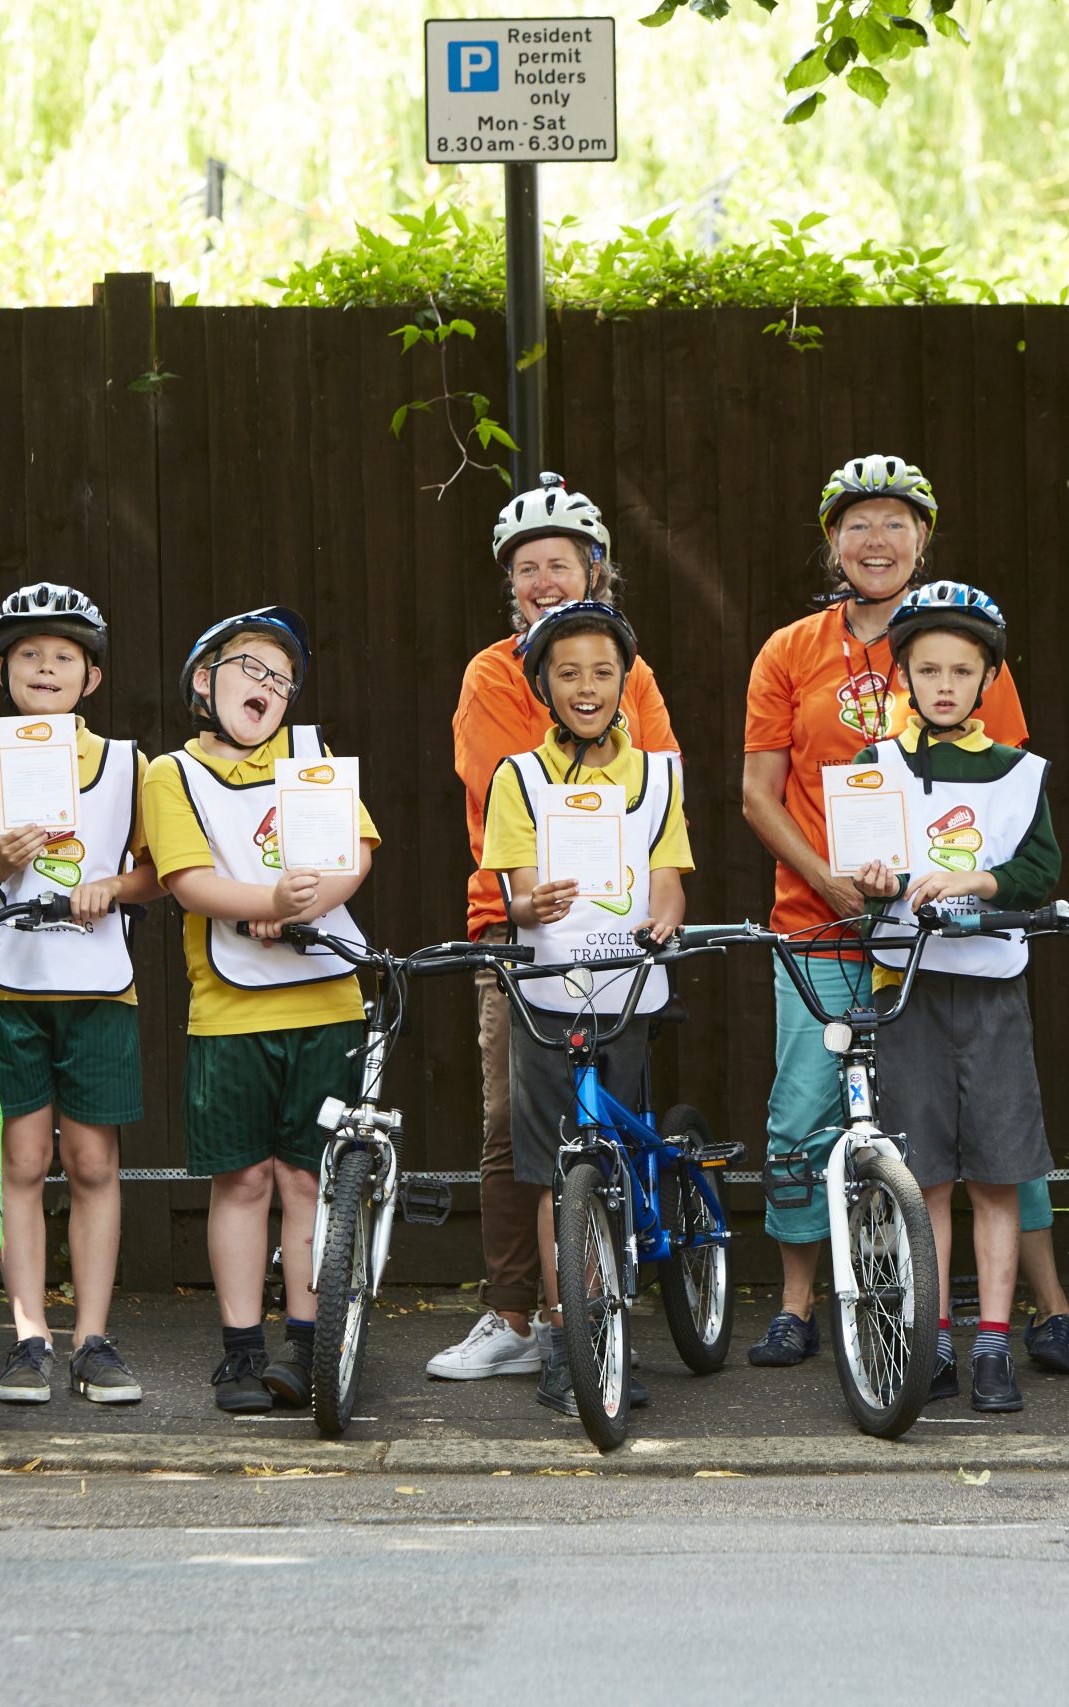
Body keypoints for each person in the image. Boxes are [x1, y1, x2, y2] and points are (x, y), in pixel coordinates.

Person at [739, 456, 1069, 1373]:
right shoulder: (789, 650)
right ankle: (800, 1303)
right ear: (832, 541)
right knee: (805, 1112)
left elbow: (1003, 802)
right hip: (819, 919)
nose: (876, 541)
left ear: (923, 539)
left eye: (895, 523)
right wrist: (830, 875)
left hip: (949, 935)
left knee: (993, 1121)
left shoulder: (965, 640)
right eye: (857, 524)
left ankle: (1044, 1304)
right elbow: (759, 794)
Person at [429, 473, 679, 1384]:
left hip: (619, 925)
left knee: (607, 1116)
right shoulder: (494, 673)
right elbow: (514, 792)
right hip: (518, 924)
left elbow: (660, 784)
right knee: (513, 1123)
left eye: (559, 564)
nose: (542, 579)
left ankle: (598, 1305)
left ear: (596, 570)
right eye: (526, 567)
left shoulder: (635, 671)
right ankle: (512, 1311)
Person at [0, 583, 161, 1406]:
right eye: (29, 655)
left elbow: (161, 871)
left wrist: (114, 887)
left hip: (98, 986)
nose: (46, 667)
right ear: (2, 670)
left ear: (91, 677)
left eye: (64, 656)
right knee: (20, 1160)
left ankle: (94, 1336)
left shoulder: (131, 764)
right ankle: (30, 1337)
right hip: (7, 983)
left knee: (91, 1160)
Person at [140, 606, 378, 1415]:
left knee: (307, 1177)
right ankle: (241, 1349)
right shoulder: (170, 773)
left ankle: (306, 1345)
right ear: (205, 679)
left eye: (283, 679)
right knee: (242, 1180)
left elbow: (356, 849)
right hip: (231, 1010)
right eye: (252, 668)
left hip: (326, 998)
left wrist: (305, 905)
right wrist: (262, 902)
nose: (269, 687)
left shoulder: (311, 757)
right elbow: (185, 878)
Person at [479, 600, 693, 1415]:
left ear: (625, 681)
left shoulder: (659, 773)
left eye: (604, 670)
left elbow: (668, 874)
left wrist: (665, 913)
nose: (587, 686)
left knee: (616, 1155)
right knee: (554, 1167)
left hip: (627, 988)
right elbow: (515, 896)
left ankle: (616, 1321)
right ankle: (573, 1336)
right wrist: (537, 904)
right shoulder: (519, 777)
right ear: (542, 685)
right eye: (567, 672)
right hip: (547, 993)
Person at [851, 583, 1060, 1413]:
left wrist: (980, 875)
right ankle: (931, 1336)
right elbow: (865, 880)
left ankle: (994, 1345)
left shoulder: (1019, 771)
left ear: (986, 680)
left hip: (992, 988)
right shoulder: (875, 767)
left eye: (961, 671)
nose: (944, 684)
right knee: (925, 1175)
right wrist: (871, 881)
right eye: (928, 668)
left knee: (1000, 1175)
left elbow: (1041, 871)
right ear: (903, 675)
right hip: (905, 985)